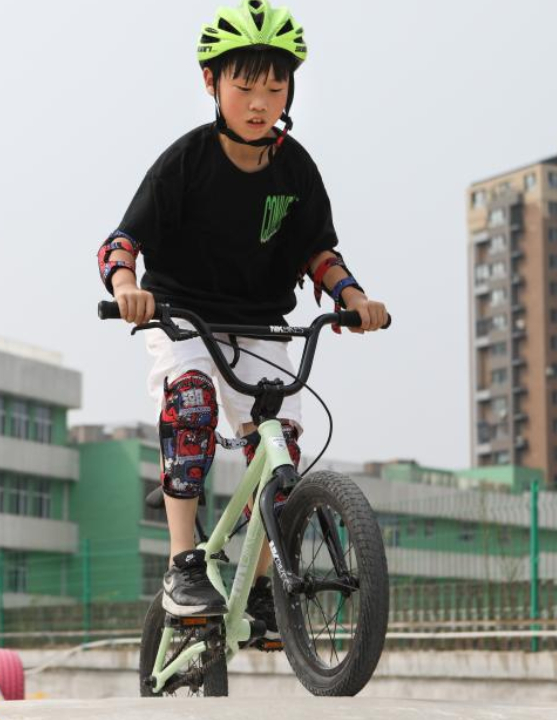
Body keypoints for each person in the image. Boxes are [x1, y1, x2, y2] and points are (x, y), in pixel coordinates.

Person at [96, 0, 389, 645]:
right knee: (193, 405)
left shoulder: (296, 168)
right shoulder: (186, 161)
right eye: (245, 86)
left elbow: (319, 253)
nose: (260, 103)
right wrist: (126, 288)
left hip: (260, 326)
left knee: (279, 448)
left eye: (275, 88)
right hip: (181, 318)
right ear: (212, 82)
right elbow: (121, 242)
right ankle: (182, 566)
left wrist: (355, 297)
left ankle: (261, 590)